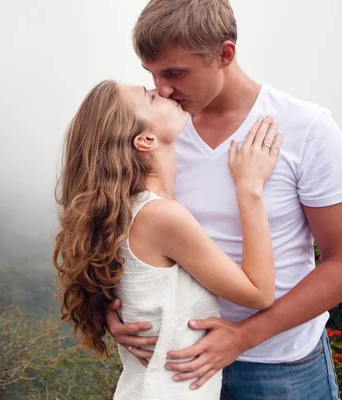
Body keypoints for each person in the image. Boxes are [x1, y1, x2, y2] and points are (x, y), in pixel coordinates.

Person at [105, 1, 342, 399]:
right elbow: (117, 221)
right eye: (152, 74)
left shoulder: (306, 129)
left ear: (224, 54)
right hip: (174, 367)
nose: (162, 89)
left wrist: (244, 337)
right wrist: (111, 307)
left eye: (175, 73)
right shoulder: (155, 130)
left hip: (279, 371)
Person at [53, 78, 283, 399]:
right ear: (146, 139)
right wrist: (250, 188)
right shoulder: (161, 216)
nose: (161, 91)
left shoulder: (129, 209)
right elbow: (258, 294)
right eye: (150, 97)